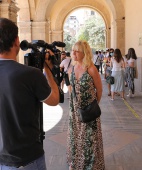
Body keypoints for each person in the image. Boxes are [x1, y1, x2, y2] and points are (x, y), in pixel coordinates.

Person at [0, 18, 59, 170]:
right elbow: (54, 100)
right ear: (17, 41)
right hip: (28, 158)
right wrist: (48, 69)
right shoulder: (31, 74)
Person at [67, 40, 105, 170]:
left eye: (77, 51)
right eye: (73, 50)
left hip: (89, 111)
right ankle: (75, 163)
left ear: (84, 53)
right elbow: (71, 88)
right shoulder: (71, 68)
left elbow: (99, 90)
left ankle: (91, 166)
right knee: (75, 137)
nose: (73, 53)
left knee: (89, 141)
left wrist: (93, 106)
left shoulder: (91, 69)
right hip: (74, 111)